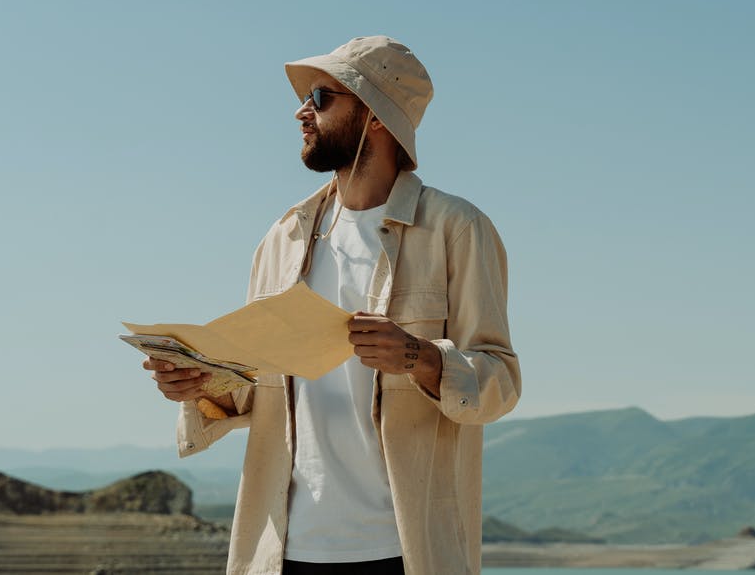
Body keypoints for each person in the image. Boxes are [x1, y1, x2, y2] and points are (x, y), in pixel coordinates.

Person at [142, 36, 521, 575]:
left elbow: (500, 380)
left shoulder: (456, 229)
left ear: (376, 116)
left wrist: (420, 358)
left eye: (321, 98)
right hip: (282, 550)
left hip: (405, 551)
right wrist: (204, 387)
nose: (301, 111)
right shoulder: (283, 237)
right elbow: (260, 383)